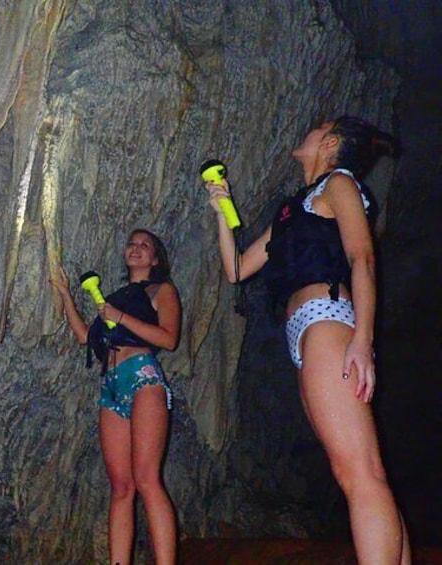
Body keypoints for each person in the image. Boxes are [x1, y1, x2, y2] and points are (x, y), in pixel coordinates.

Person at [204, 116, 411, 564]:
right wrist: (223, 210)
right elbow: (236, 269)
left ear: (331, 142)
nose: (308, 131)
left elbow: (362, 259)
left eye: (318, 128)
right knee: (357, 470)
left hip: (330, 319)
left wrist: (363, 340)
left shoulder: (339, 183)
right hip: (305, 333)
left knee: (359, 472)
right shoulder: (294, 208)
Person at [50, 229, 181, 565]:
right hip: (111, 386)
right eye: (132, 243)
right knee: (121, 488)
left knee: (147, 479)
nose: (136, 248)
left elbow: (168, 338)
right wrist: (66, 295)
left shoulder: (161, 290)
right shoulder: (113, 298)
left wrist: (118, 316)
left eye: (145, 245)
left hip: (142, 377)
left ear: (155, 258)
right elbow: (84, 337)